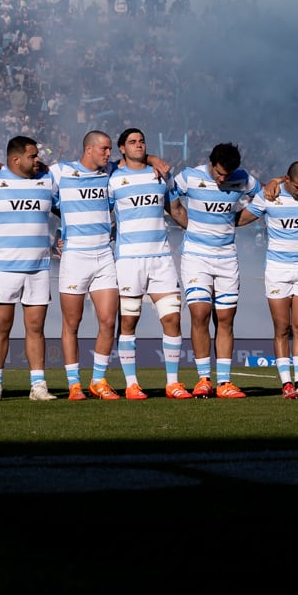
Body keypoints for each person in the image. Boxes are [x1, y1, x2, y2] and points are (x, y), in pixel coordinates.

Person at [0, 136, 59, 400]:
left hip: (38, 267)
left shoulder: (47, 180)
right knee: (1, 327)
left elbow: (69, 209)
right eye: (32, 156)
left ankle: (38, 385)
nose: (37, 161)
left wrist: (64, 233)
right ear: (15, 159)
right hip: (2, 267)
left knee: (36, 328)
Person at [168, 142, 258, 397]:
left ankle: (225, 383)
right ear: (211, 162)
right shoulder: (189, 176)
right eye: (218, 173)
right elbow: (169, 197)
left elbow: (264, 197)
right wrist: (186, 222)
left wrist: (238, 219)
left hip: (227, 258)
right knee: (200, 314)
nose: (222, 178)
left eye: (226, 175)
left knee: (226, 320)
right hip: (196, 257)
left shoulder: (243, 179)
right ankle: (203, 379)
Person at [107, 128, 187, 398]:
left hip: (161, 258)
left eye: (142, 141)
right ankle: (131, 384)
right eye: (132, 142)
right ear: (121, 148)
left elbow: (175, 210)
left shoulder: (161, 175)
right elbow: (100, 212)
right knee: (129, 322)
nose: (138, 145)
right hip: (128, 260)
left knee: (173, 318)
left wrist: (202, 234)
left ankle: (173, 383)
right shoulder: (113, 179)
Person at [49, 131, 122, 399]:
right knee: (72, 323)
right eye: (104, 149)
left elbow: (138, 159)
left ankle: (98, 381)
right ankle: (74, 384)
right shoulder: (60, 172)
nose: (108, 154)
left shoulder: (111, 172)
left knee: (107, 320)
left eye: (110, 150)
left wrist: (155, 159)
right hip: (75, 256)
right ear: (88, 149)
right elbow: (30, 173)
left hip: (104, 255)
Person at [249, 160, 298, 398]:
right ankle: (286, 385)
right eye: (297, 188)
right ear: (288, 179)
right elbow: (242, 218)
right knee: (282, 328)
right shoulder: (269, 195)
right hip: (277, 269)